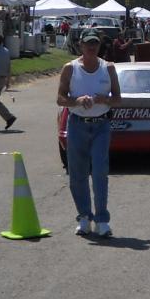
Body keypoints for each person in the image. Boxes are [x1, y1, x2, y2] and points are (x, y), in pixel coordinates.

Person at [56, 29, 122, 237]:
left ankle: (102, 220)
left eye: (95, 43)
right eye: (88, 43)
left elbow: (118, 99)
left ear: (99, 46)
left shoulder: (108, 68)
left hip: (101, 124)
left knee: (100, 171)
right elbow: (60, 98)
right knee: (77, 173)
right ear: (81, 45)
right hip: (77, 124)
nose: (91, 47)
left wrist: (105, 100)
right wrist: (76, 101)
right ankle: (84, 217)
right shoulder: (70, 68)